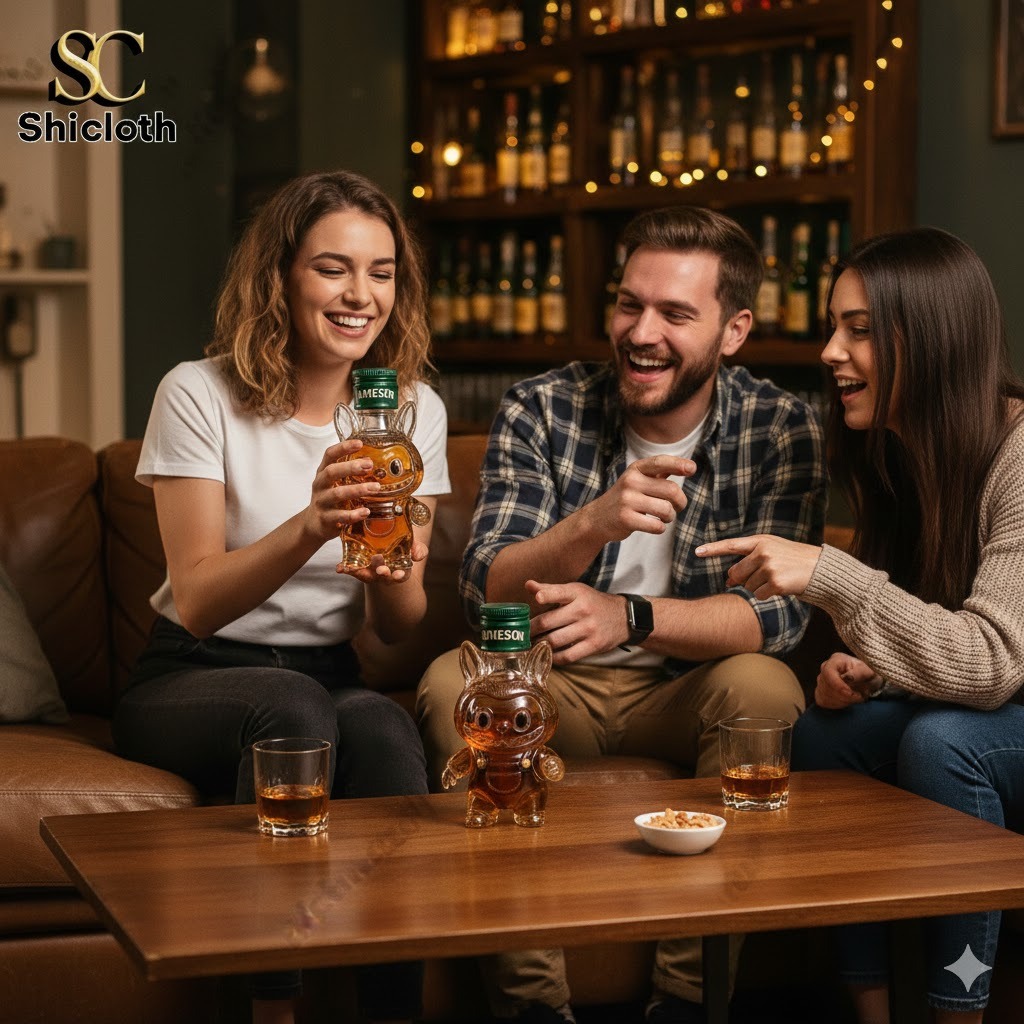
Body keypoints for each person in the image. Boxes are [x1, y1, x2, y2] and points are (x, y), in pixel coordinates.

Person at [416, 205, 827, 1024]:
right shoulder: (542, 406)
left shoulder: (781, 425)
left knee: (765, 687)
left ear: (734, 329)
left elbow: (776, 620)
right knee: (444, 684)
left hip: (685, 691)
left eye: (676, 313)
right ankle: (534, 1006)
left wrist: (630, 615)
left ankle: (686, 998)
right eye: (630, 304)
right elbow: (484, 593)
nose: (643, 333)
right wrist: (592, 523)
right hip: (552, 685)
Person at [112, 170, 450, 1024]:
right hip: (192, 673)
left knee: (382, 722)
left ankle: (392, 1011)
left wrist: (393, 566)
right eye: (333, 268)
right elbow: (196, 601)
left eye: (381, 272)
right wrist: (312, 525)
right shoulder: (198, 392)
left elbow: (398, 635)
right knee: (296, 709)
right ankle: (271, 1010)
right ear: (281, 279)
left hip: (331, 674)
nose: (360, 295)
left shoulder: (412, 412)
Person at [695, 226, 1024, 1024]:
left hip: (996, 709)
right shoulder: (898, 451)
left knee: (939, 741)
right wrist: (871, 668)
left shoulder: (1018, 456)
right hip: (990, 708)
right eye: (834, 325)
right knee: (826, 735)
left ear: (935, 339)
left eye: (861, 330)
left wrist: (829, 574)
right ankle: (869, 1015)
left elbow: (993, 660)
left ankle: (958, 1013)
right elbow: (930, 624)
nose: (831, 352)